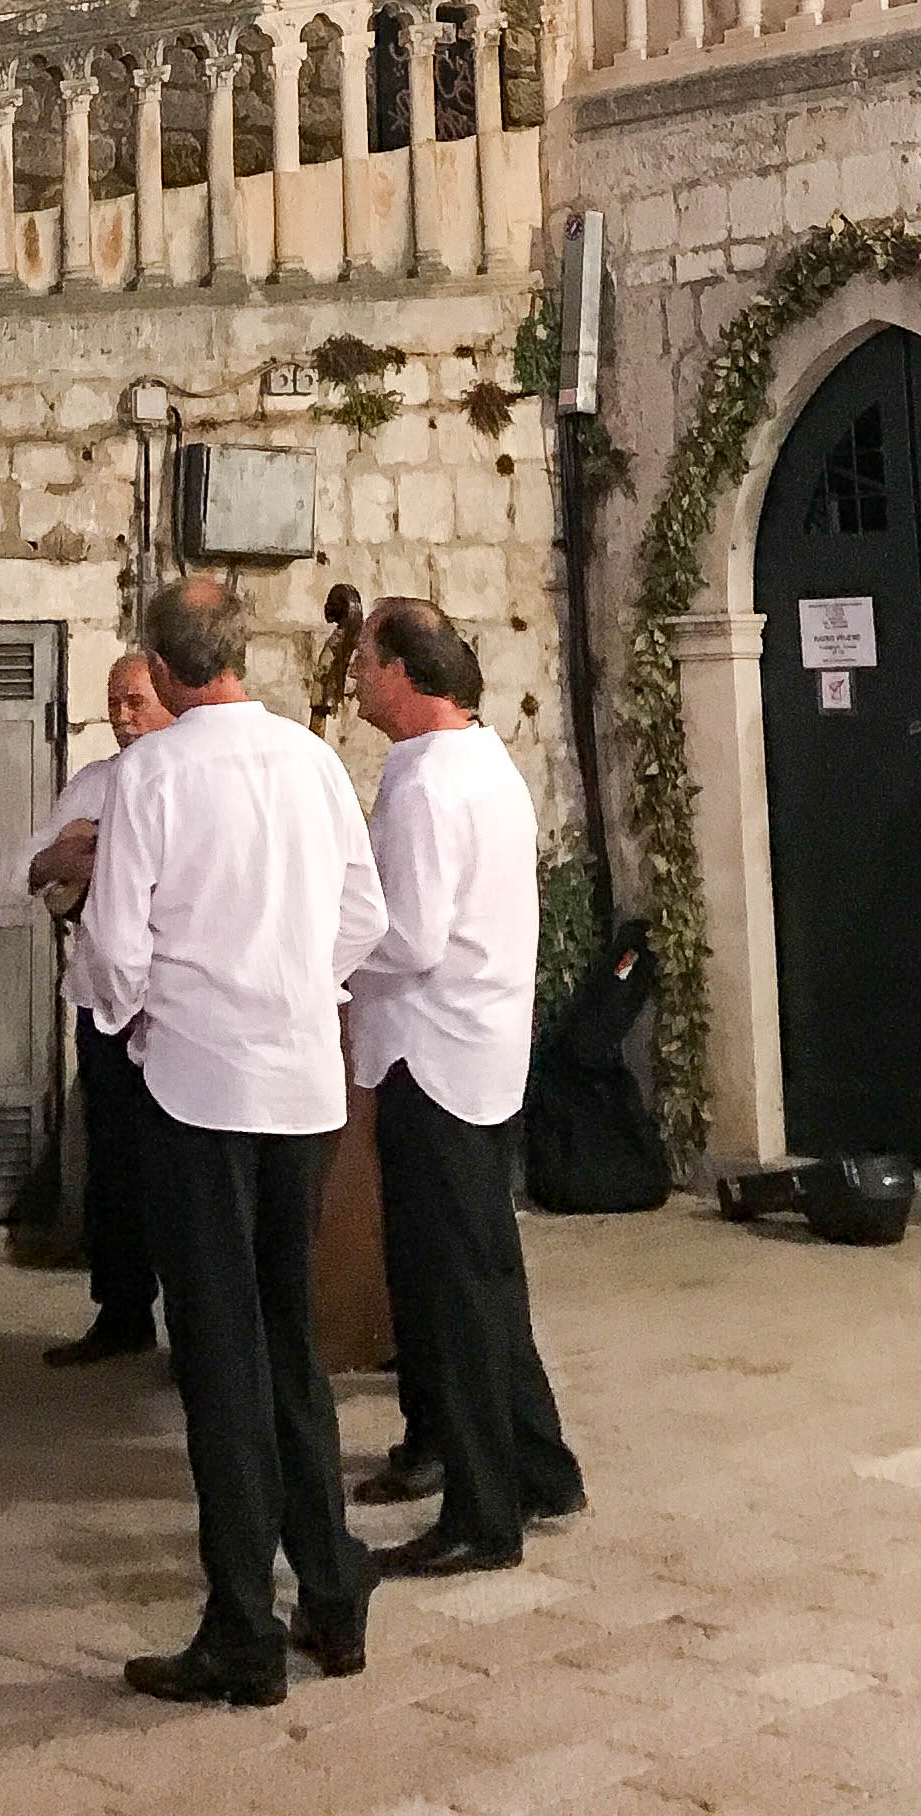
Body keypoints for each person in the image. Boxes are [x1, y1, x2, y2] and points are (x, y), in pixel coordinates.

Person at [77, 574, 387, 1707]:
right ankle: (336, 1603)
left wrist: (137, 1014)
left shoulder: (151, 773)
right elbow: (366, 914)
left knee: (218, 1358)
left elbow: (112, 950)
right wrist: (294, 986)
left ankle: (243, 1632)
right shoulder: (311, 760)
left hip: (201, 1092)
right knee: (290, 1347)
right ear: (239, 654)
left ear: (159, 670)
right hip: (303, 1088)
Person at [346, 603, 586, 1576]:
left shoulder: (429, 785)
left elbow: (408, 936)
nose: (355, 675)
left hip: (431, 1056)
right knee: (486, 1273)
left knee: (454, 1293)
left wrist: (321, 940)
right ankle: (538, 1467)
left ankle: (482, 1517)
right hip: (477, 1051)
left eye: (366, 659)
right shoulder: (480, 760)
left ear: (405, 672)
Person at [18, 645, 175, 1366]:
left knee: (178, 1169)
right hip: (100, 999)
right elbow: (35, 868)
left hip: (174, 1007)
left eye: (135, 701)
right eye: (113, 703)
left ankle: (196, 1331)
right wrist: (67, 861)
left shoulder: (185, 779)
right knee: (112, 1161)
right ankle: (121, 1312)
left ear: (168, 696)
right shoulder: (93, 784)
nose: (121, 716)